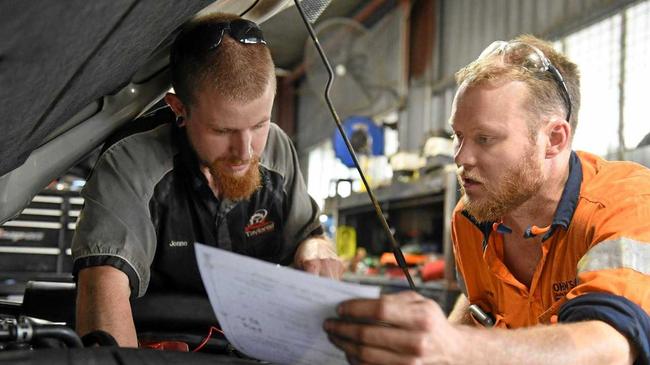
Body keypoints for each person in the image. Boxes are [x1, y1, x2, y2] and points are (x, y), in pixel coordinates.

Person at [324, 34, 649, 364]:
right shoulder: (471, 217)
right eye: (458, 136)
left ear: (553, 139)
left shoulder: (629, 202)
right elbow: (479, 305)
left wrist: (454, 347)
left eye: (485, 138)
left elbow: (611, 345)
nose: (461, 158)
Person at [72, 13, 344, 347]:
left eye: (259, 124)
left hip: (255, 344)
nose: (245, 152)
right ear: (178, 109)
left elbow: (309, 233)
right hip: (161, 349)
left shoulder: (276, 148)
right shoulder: (130, 163)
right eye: (223, 130)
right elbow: (102, 285)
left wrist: (316, 248)